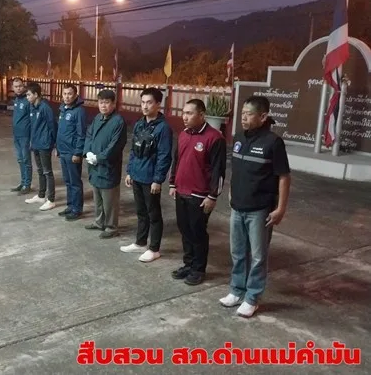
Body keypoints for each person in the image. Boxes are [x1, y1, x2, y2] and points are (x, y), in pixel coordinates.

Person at [219, 95, 291, 318]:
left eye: (248, 114)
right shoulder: (239, 137)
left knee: (258, 256)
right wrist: (231, 190)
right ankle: (236, 290)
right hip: (237, 206)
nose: (243, 118)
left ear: (263, 116)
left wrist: (280, 208)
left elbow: (284, 177)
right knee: (238, 252)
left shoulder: (273, 142)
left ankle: (252, 298)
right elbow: (237, 169)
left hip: (260, 210)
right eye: (242, 113)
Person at [169, 99, 226, 286]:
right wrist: (172, 183)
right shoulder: (183, 134)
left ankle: (199, 269)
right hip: (181, 192)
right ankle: (188, 264)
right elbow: (176, 160)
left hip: (200, 196)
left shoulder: (214, 138)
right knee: (184, 229)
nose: (184, 117)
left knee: (198, 232)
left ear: (201, 115)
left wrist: (212, 196)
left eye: (189, 113)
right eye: (183, 113)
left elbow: (218, 171)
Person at [121, 88, 173, 262]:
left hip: (150, 178)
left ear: (158, 104)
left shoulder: (163, 128)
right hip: (137, 175)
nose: (145, 106)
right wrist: (130, 171)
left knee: (153, 214)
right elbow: (133, 150)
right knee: (141, 212)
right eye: (143, 102)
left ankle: (154, 249)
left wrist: (158, 180)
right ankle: (140, 242)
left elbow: (164, 156)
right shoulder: (139, 124)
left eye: (149, 102)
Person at [83, 89, 127, 238]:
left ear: (114, 104)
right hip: (94, 165)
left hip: (108, 167)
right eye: (101, 102)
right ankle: (99, 222)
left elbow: (115, 146)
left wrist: (99, 158)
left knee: (109, 200)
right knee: (98, 197)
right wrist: (87, 152)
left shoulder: (118, 121)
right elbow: (89, 135)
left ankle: (111, 227)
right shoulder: (98, 118)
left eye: (107, 102)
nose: (103, 105)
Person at [24, 82, 58, 211]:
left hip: (44, 144)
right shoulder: (32, 107)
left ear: (36, 94)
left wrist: (55, 144)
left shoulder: (45, 108)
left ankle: (51, 200)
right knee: (40, 170)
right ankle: (41, 195)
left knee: (47, 172)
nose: (27, 97)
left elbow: (52, 125)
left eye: (29, 95)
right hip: (36, 144)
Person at [56, 83, 87, 221]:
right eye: (65, 94)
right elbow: (61, 131)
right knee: (67, 181)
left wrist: (78, 153)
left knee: (75, 182)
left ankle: (77, 209)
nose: (67, 97)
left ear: (75, 95)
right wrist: (58, 148)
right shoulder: (63, 109)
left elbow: (81, 134)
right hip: (63, 151)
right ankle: (70, 206)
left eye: (70, 94)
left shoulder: (79, 112)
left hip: (72, 152)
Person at [10, 77, 32, 195]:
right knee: (20, 159)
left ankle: (27, 184)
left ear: (24, 87)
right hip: (16, 135)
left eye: (20, 86)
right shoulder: (16, 100)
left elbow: (32, 119)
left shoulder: (27, 101)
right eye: (16, 86)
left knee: (26, 160)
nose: (18, 88)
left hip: (25, 136)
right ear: (13, 88)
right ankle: (22, 182)